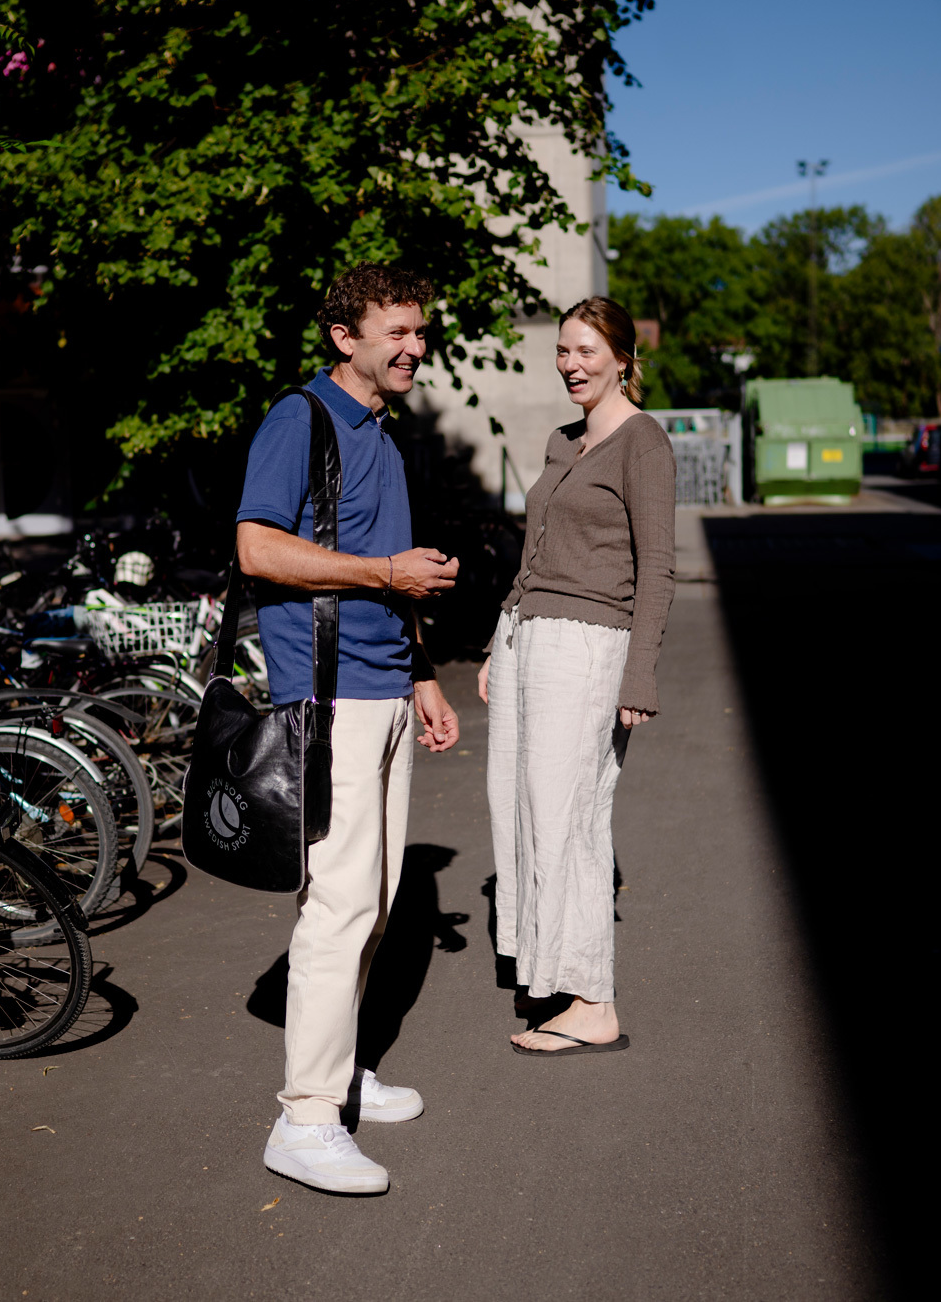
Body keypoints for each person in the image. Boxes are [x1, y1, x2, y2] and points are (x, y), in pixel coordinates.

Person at [235, 262, 462, 1195]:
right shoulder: (304, 419)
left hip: (382, 686)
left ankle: (340, 1071)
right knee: (339, 905)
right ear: (346, 337)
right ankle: (305, 1118)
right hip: (326, 694)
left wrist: (422, 672)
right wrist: (385, 576)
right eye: (398, 332)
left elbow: (391, 572)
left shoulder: (382, 435)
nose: (415, 347)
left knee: (375, 896)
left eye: (420, 332)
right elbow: (256, 547)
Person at [478, 296, 675, 1057]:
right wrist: (503, 635)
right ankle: (550, 971)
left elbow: (656, 564)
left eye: (587, 351)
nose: (571, 364)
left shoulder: (643, 442)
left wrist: (640, 676)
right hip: (529, 636)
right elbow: (538, 547)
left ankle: (593, 999)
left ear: (623, 357)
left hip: (590, 641)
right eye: (563, 350)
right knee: (519, 808)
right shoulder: (564, 441)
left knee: (571, 816)